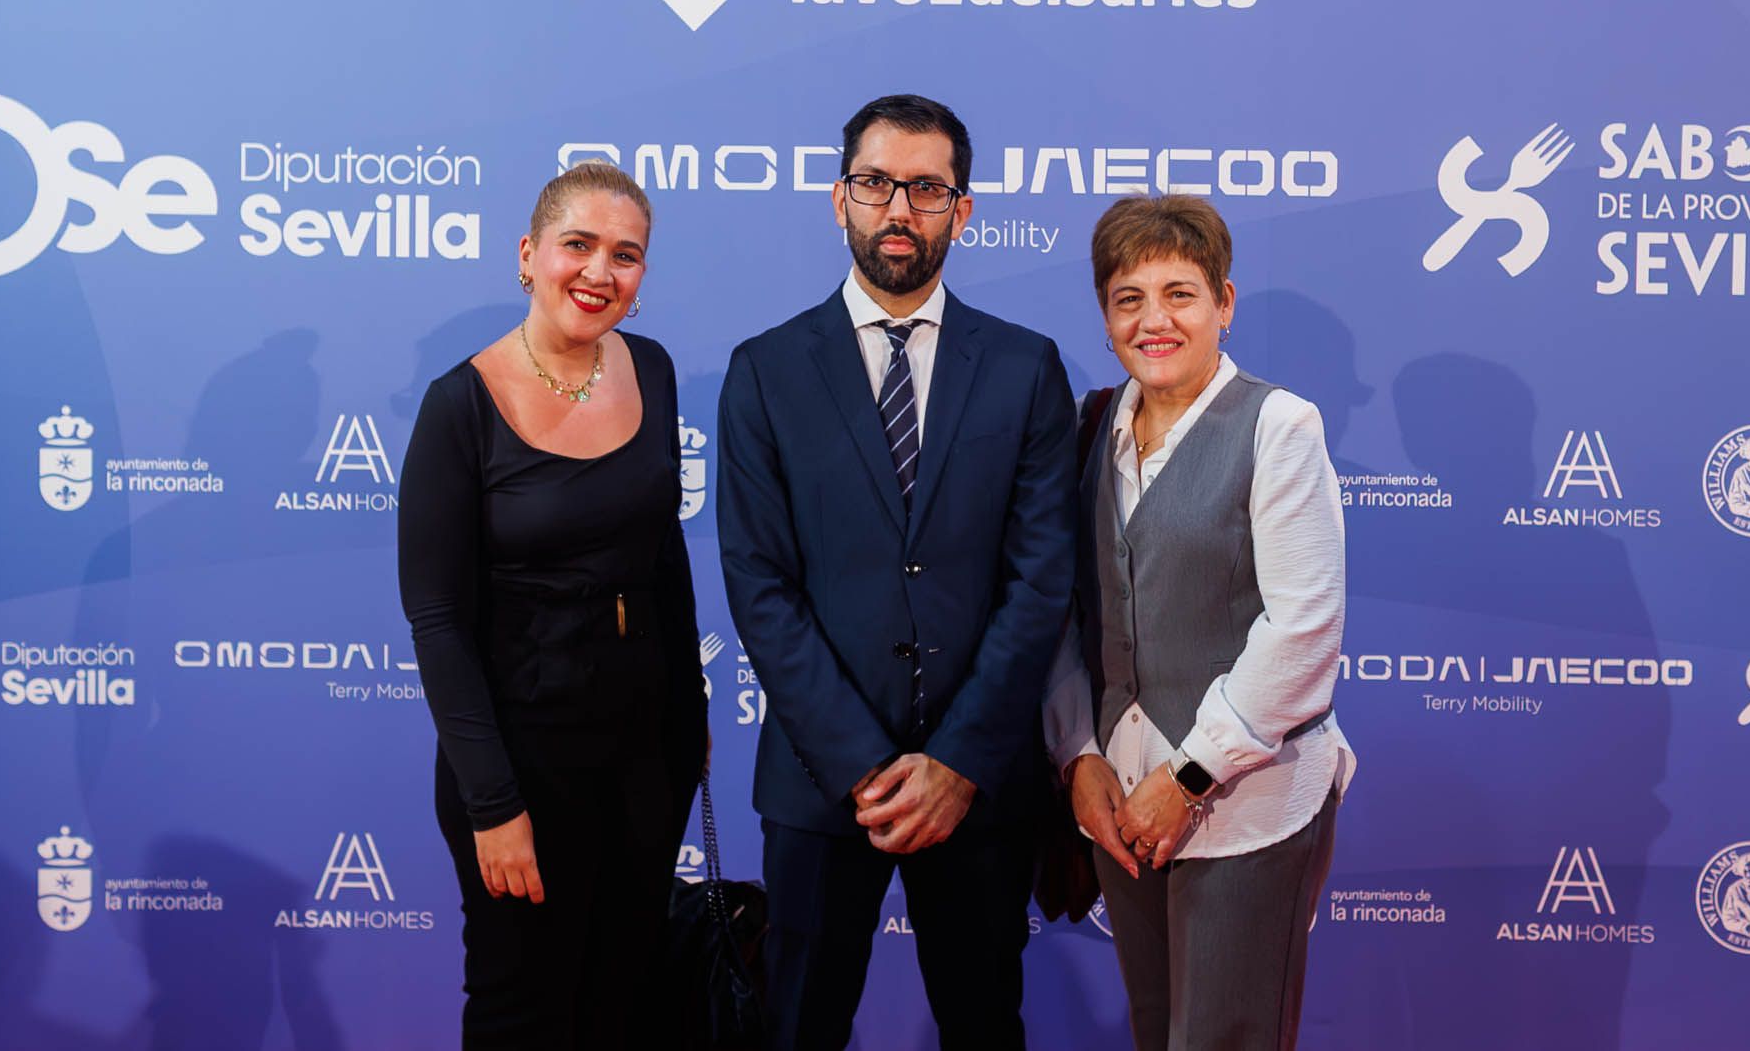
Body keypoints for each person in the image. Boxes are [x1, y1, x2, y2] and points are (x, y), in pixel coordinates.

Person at [717, 94, 1078, 1051]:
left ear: (962, 210)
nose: (899, 210)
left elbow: (1041, 580)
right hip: (821, 781)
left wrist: (956, 763)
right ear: (841, 200)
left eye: (927, 189)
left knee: (983, 1026)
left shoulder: (1025, 366)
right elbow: (759, 585)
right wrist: (864, 767)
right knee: (797, 1028)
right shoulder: (765, 370)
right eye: (877, 184)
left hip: (979, 781)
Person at [398, 161, 708, 1049]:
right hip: (522, 761)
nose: (600, 272)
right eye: (579, 245)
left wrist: (689, 717)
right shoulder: (460, 405)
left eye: (627, 254)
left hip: (648, 753)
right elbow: (437, 619)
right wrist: (493, 805)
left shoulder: (650, 367)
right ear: (529, 255)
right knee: (521, 1011)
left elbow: (662, 552)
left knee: (622, 1005)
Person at [1043, 194, 1354, 1051]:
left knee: (1224, 1039)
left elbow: (1302, 630)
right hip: (1119, 801)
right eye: (1128, 298)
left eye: (1180, 293)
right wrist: (1079, 756)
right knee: (1159, 1034)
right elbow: (1065, 610)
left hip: (1243, 802)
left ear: (1224, 302)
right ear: (1106, 317)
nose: (1154, 320)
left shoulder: (1280, 426)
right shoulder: (1088, 426)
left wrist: (1186, 779)